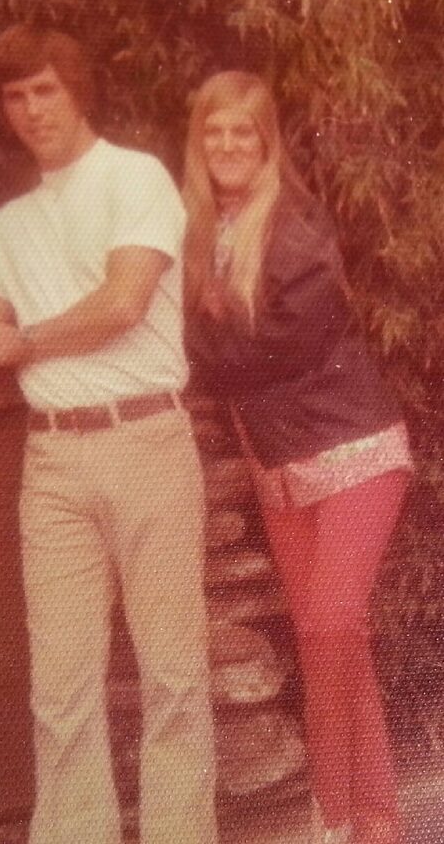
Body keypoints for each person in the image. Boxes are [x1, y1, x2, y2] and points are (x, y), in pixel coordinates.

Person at [0, 24, 218, 844]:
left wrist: (25, 342)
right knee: (62, 688)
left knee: (173, 675)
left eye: (46, 90)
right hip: (55, 458)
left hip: (144, 442)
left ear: (77, 91)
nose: (33, 110)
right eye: (17, 95)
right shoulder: (12, 222)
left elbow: (123, 302)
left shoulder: (135, 178)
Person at [182, 70, 412, 844]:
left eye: (243, 131)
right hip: (279, 470)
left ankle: (331, 819)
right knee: (335, 647)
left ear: (267, 141)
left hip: (353, 450)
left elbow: (278, 345)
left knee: (326, 625)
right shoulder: (195, 231)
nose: (227, 145)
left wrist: (195, 344)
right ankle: (374, 820)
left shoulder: (297, 222)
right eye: (214, 131)